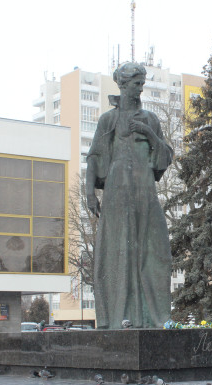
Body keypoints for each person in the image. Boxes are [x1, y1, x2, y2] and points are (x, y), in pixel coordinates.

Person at [85, 62, 173, 329]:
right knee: (118, 253)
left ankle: (155, 317)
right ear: (123, 84)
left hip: (145, 193)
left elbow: (164, 157)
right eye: (136, 83)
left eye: (142, 83)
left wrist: (148, 134)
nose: (140, 88)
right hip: (117, 194)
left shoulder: (150, 119)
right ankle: (119, 317)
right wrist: (89, 192)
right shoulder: (109, 120)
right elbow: (95, 157)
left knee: (156, 252)